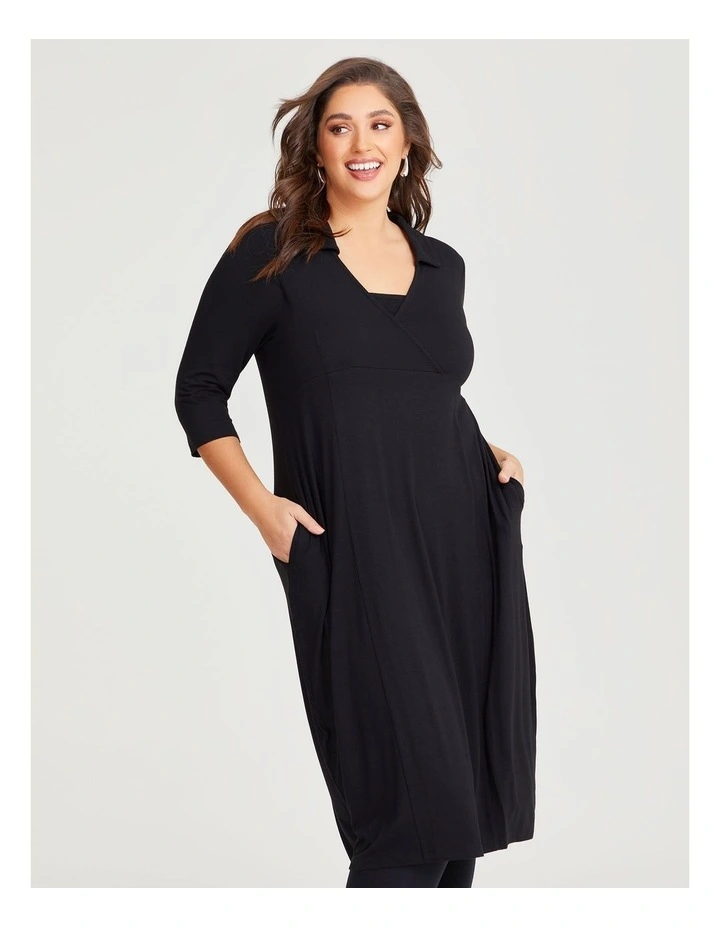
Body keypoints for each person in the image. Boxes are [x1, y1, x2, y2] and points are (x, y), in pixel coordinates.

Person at [174, 56, 537, 889]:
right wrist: (263, 509)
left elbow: (422, 390)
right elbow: (198, 390)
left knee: (459, 820)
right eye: (340, 127)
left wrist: (489, 453)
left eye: (380, 125)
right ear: (317, 147)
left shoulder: (443, 266)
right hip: (354, 553)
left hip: (465, 544)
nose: (361, 144)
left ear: (407, 144)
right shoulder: (273, 254)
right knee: (403, 820)